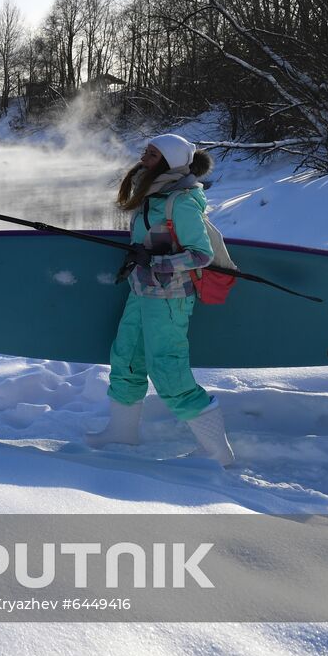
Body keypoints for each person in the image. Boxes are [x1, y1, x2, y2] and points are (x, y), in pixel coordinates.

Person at [85, 134, 236, 465]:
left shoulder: (179, 202)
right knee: (126, 358)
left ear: (169, 162)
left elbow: (201, 255)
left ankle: (217, 452)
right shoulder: (152, 197)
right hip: (142, 291)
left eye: (152, 154)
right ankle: (122, 433)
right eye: (146, 151)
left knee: (168, 370)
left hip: (170, 298)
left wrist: (157, 262)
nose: (143, 157)